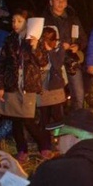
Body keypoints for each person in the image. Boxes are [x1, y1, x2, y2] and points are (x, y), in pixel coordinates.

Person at [0, 9, 51, 162]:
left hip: (29, 86)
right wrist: (0, 86)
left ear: (27, 22)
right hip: (12, 86)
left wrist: (34, 47)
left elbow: (43, 62)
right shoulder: (9, 40)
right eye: (13, 21)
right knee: (16, 121)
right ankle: (22, 149)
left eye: (19, 21)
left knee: (28, 119)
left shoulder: (34, 39)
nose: (15, 24)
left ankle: (44, 145)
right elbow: (2, 64)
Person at [42, 0, 88, 110]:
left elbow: (83, 38)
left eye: (64, 1)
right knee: (55, 96)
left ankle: (77, 121)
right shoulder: (44, 20)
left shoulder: (73, 19)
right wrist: (57, 45)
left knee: (78, 93)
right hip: (52, 62)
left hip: (71, 59)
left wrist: (77, 46)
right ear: (51, 2)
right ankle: (58, 122)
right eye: (58, 0)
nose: (61, 3)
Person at [37, 26, 67, 154]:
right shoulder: (38, 50)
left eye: (49, 39)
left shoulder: (59, 49)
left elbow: (57, 64)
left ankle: (63, 142)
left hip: (55, 87)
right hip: (42, 86)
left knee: (58, 116)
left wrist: (50, 51)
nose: (46, 41)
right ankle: (46, 145)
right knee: (44, 117)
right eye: (44, 38)